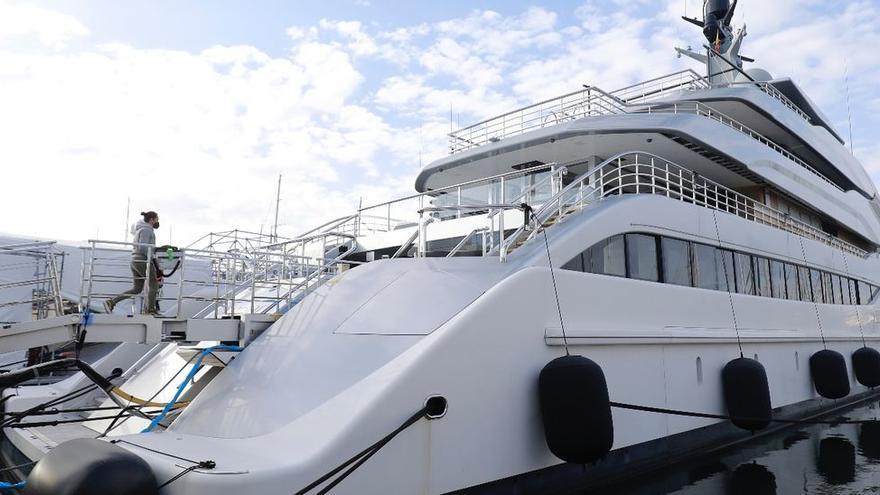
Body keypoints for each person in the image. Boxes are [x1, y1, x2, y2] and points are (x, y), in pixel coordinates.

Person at [104, 211, 160, 315]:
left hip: (135, 260)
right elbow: (143, 247)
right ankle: (151, 310)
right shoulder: (147, 230)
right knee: (154, 284)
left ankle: (112, 302)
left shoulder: (140, 230)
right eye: (157, 219)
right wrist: (153, 256)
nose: (158, 221)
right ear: (152, 220)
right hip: (142, 260)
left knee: (137, 289)